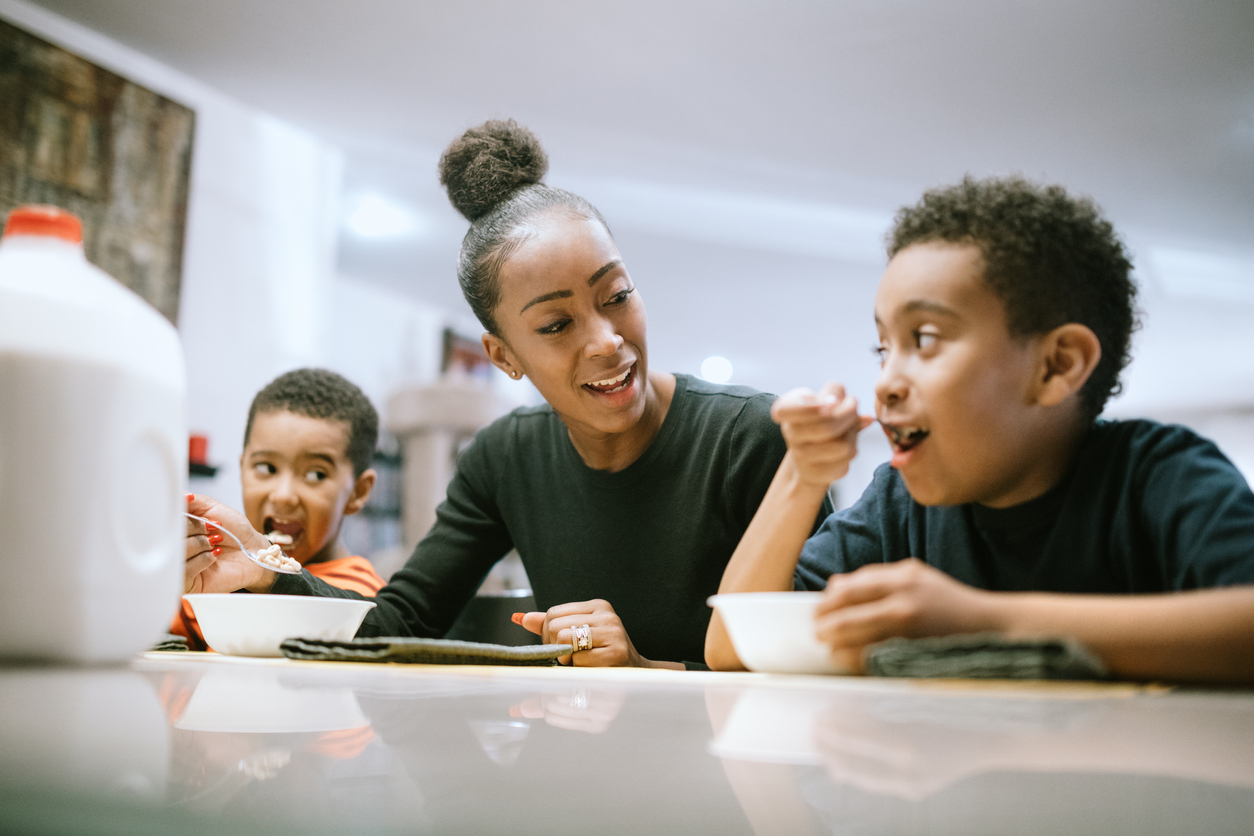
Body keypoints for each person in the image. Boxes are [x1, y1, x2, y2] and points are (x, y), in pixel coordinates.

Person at [185, 119, 832, 669]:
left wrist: (644, 668)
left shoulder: (753, 440)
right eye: (556, 325)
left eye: (618, 296)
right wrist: (268, 568)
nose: (606, 340)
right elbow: (401, 623)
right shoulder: (504, 461)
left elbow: (825, 655)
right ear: (504, 356)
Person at [706, 175, 1254, 683]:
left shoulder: (1157, 474)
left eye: (923, 339)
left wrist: (985, 623)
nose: (886, 382)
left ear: (1057, 365)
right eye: (882, 348)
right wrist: (802, 475)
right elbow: (730, 649)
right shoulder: (898, 506)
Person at [178, 368, 384, 650]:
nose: (283, 495)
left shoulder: (360, 599)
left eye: (316, 474)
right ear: (242, 470)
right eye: (266, 468)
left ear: (358, 492)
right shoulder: (212, 577)